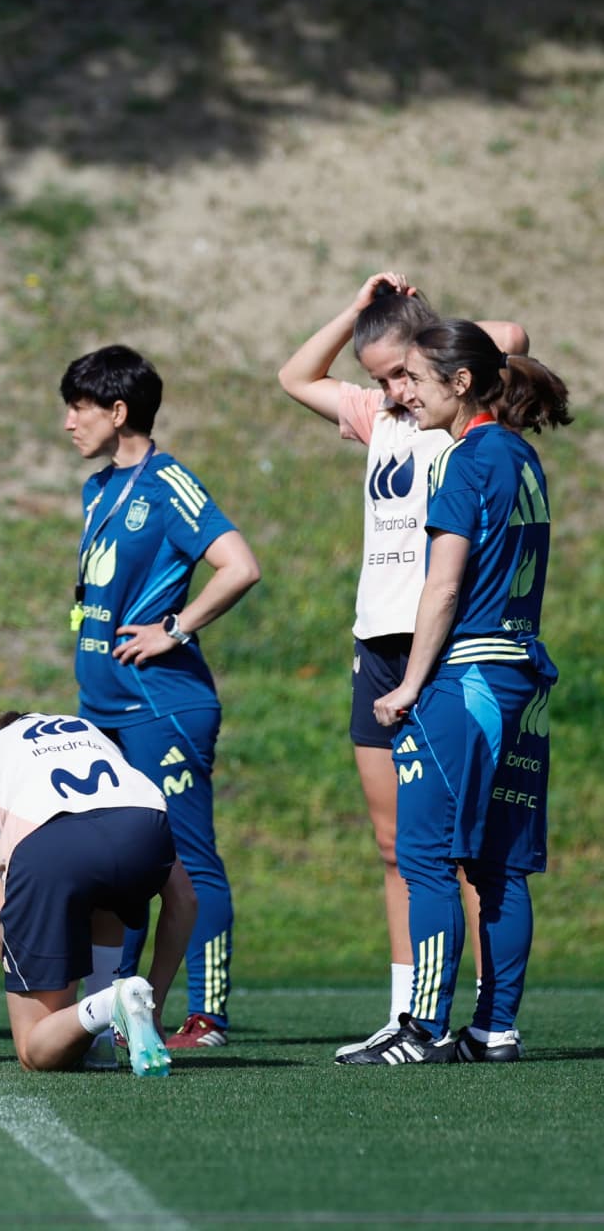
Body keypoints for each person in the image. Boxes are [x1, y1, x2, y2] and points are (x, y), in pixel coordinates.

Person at [278, 274, 526, 1058]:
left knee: (454, 847)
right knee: (398, 846)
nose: (390, 388)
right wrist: (357, 311)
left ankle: (477, 1015)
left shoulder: (447, 415)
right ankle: (406, 1012)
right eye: (381, 376)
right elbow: (294, 377)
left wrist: (423, 338)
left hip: (440, 643)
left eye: (401, 373)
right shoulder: (377, 415)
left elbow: (509, 336)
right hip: (376, 643)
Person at [341, 321, 568, 1065]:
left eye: (413, 378)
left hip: (467, 678)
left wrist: (409, 683)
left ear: (460, 383)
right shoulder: (521, 455)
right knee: (499, 862)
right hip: (521, 676)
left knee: (427, 856)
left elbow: (442, 585)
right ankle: (494, 1029)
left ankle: (422, 1028)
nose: (401, 395)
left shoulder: (464, 459)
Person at [60, 345, 260, 1051]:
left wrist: (175, 627)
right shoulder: (95, 489)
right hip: (103, 710)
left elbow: (240, 565)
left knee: (188, 859)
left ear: (118, 412)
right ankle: (123, 1011)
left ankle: (206, 1019)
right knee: (120, 870)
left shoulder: (169, 483)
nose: (67, 423)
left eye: (78, 407)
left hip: (163, 705)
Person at [0, 710, 196, 1076]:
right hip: (142, 827)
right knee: (106, 894)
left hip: (51, 845)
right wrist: (156, 1004)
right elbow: (185, 899)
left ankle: (111, 1005)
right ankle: (105, 1042)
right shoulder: (88, 733)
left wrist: (26, 968)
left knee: (36, 1052)